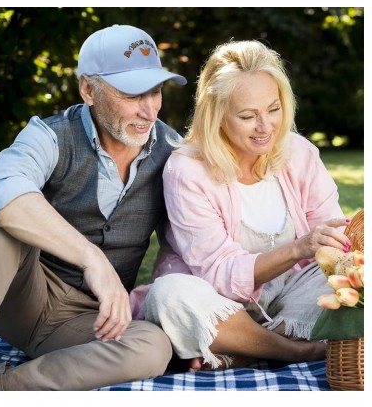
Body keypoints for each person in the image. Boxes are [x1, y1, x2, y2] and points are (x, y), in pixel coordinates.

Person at [0, 24, 187, 390]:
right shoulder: (50, 135)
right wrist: (92, 259)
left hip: (92, 321)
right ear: (88, 89)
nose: (148, 110)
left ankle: (0, 391)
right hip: (23, 297)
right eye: (131, 93)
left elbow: (186, 247)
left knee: (153, 348)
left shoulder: (174, 152)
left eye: (154, 91)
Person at [131, 39, 351, 371]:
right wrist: (298, 248)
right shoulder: (186, 170)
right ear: (217, 116)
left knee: (355, 270)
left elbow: (337, 238)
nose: (266, 127)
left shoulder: (299, 153)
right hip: (216, 301)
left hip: (291, 298)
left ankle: (248, 347)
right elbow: (218, 273)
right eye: (248, 116)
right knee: (169, 294)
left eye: (274, 109)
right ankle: (293, 351)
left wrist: (341, 248)